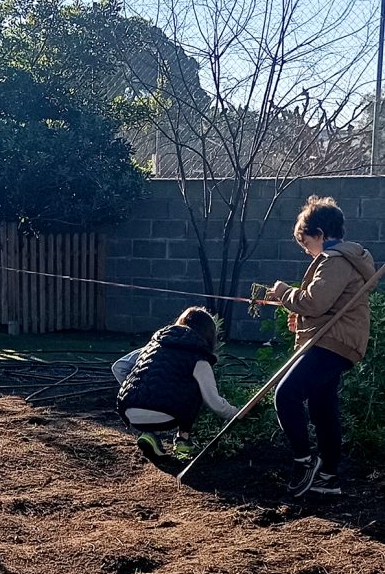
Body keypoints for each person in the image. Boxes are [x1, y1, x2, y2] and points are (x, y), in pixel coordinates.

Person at [268, 195, 375, 497]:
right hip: (338, 341)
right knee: (323, 408)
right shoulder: (346, 260)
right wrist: (301, 321)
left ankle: (304, 460)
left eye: (305, 243)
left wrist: (284, 292)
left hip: (332, 343)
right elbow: (327, 307)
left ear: (320, 234)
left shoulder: (334, 260)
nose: (305, 250)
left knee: (286, 394)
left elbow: (315, 302)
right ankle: (328, 477)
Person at [113, 306, 238, 462]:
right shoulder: (198, 357)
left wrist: (136, 388)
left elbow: (118, 367)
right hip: (166, 415)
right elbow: (214, 402)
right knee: (196, 389)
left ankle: (149, 434)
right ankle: (182, 440)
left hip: (130, 412)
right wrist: (236, 414)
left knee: (160, 388)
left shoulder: (153, 346)